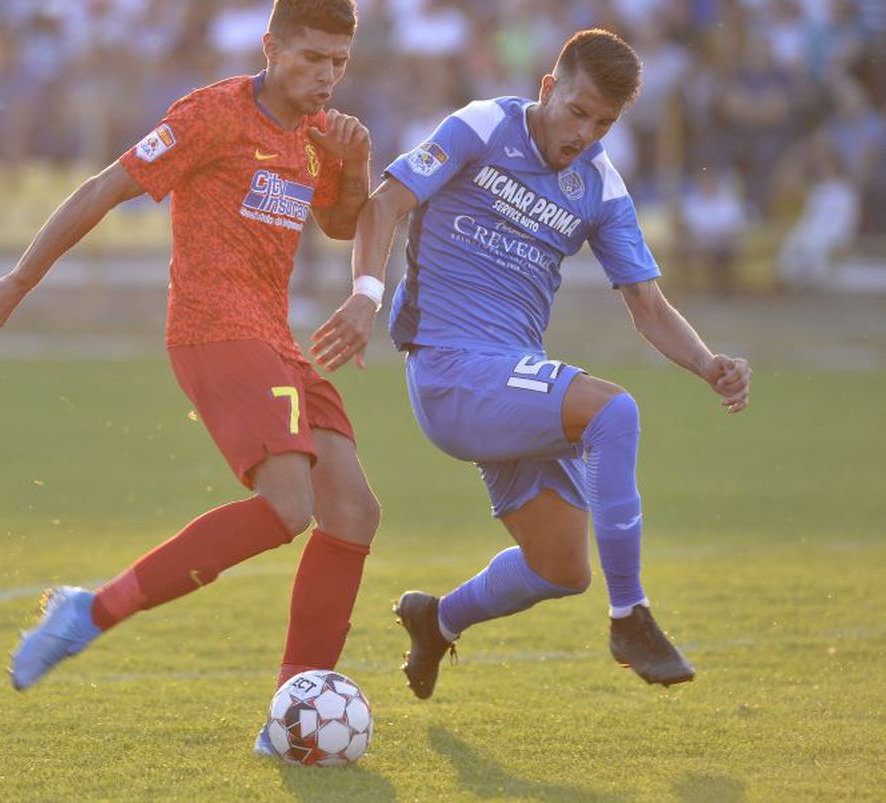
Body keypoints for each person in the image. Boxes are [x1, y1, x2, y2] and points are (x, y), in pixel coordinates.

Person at [0, 0, 380, 752]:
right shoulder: (213, 115)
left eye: (339, 63)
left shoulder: (321, 135)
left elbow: (343, 224)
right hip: (212, 329)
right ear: (271, 46)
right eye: (312, 58)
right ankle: (88, 612)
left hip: (274, 338)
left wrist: (353, 167)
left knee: (352, 511)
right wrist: (20, 281)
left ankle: (288, 718)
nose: (326, 77)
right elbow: (104, 187)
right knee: (289, 505)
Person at [310, 29, 752, 696]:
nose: (584, 133)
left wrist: (707, 362)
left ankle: (437, 619)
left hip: (510, 379)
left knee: (560, 566)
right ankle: (630, 615)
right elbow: (387, 202)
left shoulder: (599, 184)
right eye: (577, 111)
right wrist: (366, 297)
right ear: (548, 88)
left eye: (603, 122)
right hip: (451, 370)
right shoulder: (484, 125)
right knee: (614, 410)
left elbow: (649, 307)